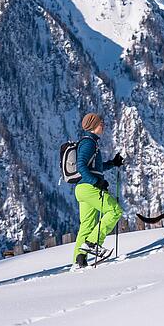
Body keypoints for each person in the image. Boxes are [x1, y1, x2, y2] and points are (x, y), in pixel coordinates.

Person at [72, 112, 125, 268]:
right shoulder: (89, 143)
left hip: (82, 189)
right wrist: (96, 182)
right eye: (101, 123)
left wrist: (112, 163)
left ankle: (79, 260)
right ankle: (93, 243)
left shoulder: (90, 142)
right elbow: (81, 166)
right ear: (93, 125)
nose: (104, 125)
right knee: (115, 210)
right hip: (89, 187)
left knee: (87, 225)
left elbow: (96, 167)